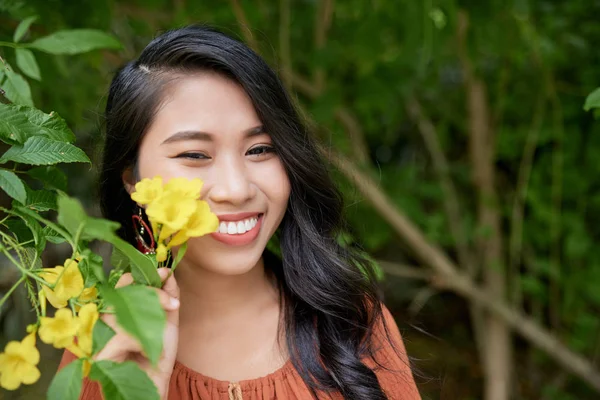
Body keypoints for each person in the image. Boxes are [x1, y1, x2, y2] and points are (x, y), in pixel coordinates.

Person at [58, 25, 421, 400]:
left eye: (260, 149)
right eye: (195, 155)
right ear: (133, 180)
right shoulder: (103, 341)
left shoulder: (350, 323)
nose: (236, 189)